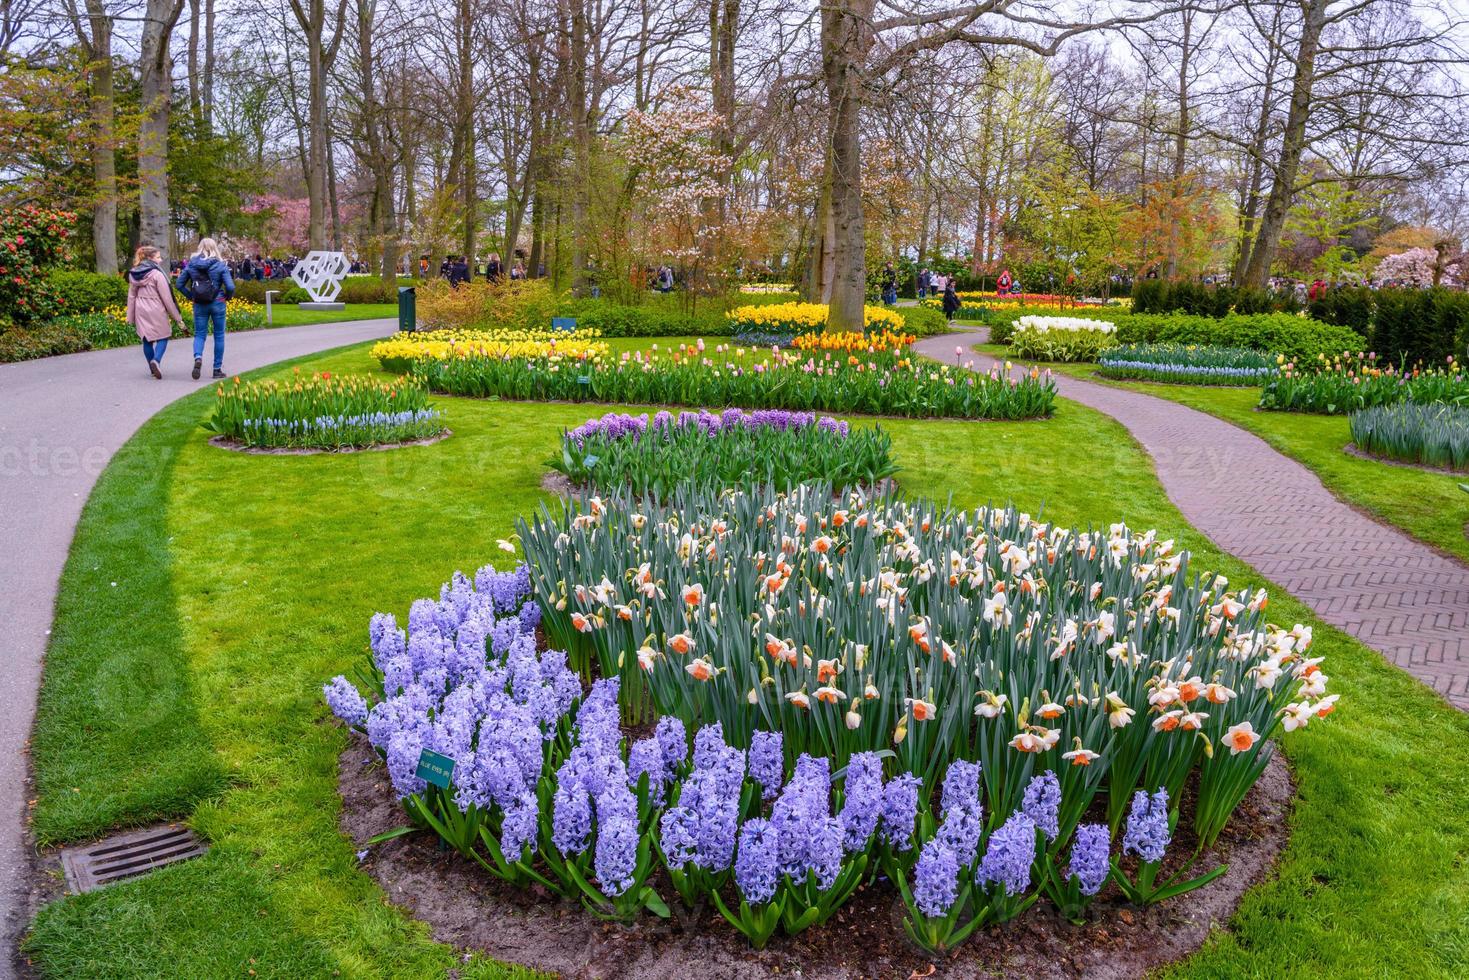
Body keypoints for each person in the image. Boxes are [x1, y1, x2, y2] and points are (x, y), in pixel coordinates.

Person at [176, 236, 236, 380]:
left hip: (200, 304)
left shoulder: (191, 265)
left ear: (200, 248)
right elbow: (230, 286)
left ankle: (198, 357)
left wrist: (191, 296)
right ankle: (216, 369)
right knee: (219, 335)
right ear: (215, 248)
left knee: (200, 334)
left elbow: (179, 284)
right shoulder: (221, 265)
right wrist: (227, 297)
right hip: (218, 302)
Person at [126, 245, 184, 380]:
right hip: (156, 307)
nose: (160, 259)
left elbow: (131, 296)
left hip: (140, 308)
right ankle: (156, 361)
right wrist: (177, 317)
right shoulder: (157, 274)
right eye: (158, 257)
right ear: (149, 258)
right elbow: (167, 298)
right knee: (164, 335)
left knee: (146, 339)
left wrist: (130, 316)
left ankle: (152, 370)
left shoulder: (134, 273)